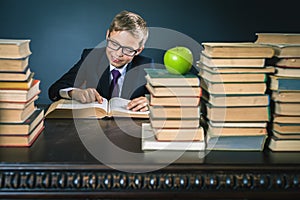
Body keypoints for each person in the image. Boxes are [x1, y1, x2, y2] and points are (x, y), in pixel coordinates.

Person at [48, 10, 154, 112]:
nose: (118, 54)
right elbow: (55, 89)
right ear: (107, 35)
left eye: (128, 50)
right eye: (114, 44)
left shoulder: (146, 66)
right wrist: (74, 93)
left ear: (139, 50)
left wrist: (150, 101)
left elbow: (161, 98)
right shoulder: (91, 58)